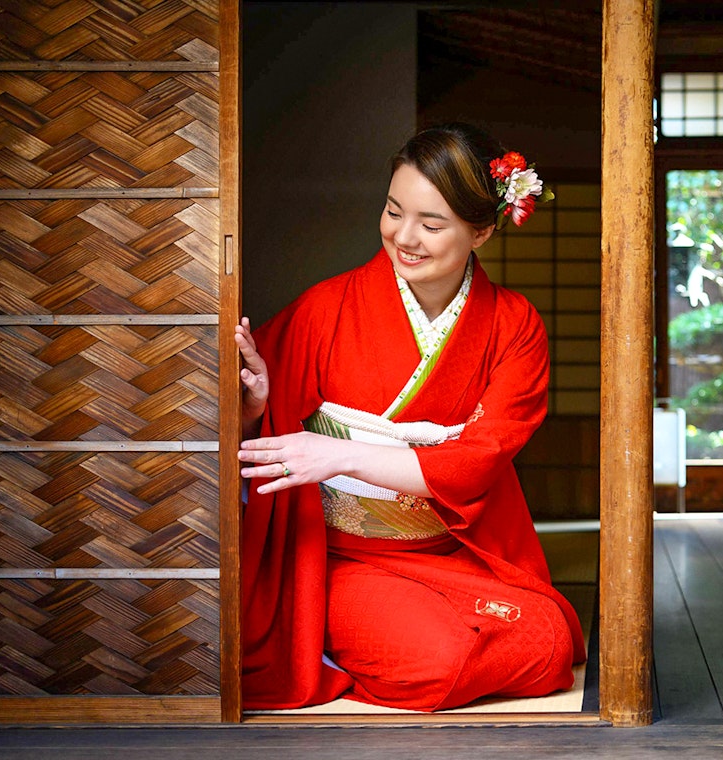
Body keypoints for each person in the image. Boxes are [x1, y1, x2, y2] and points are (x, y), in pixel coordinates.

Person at [235, 123, 585, 712]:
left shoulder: (513, 325)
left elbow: (479, 461)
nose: (405, 237)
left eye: (431, 223)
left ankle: (375, 641)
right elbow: (249, 440)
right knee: (442, 666)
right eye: (393, 212)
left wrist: (341, 454)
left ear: (482, 230)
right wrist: (256, 408)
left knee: (551, 641)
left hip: (451, 549)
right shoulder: (325, 308)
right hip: (342, 555)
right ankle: (327, 639)